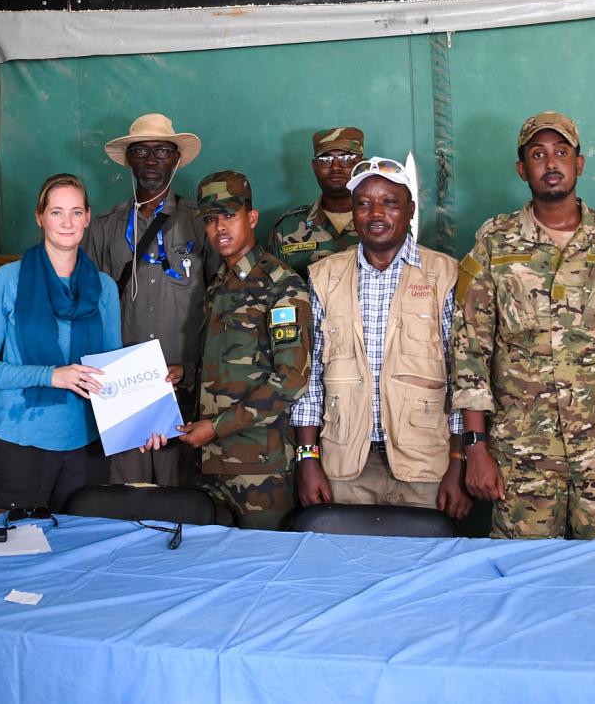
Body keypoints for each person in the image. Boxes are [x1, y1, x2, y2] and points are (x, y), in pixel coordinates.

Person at [451, 111, 595, 539]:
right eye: (538, 154)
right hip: (522, 454)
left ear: (579, 164)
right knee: (524, 570)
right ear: (522, 169)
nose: (551, 163)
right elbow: (469, 350)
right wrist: (474, 448)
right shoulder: (495, 242)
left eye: (561, 152)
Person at [292, 156, 471, 519]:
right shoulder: (324, 277)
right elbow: (309, 380)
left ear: (410, 210)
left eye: (390, 203)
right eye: (364, 204)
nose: (376, 214)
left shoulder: (445, 275)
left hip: (426, 466)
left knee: (427, 553)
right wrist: (307, 459)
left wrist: (459, 461)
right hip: (344, 466)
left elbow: (462, 377)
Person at [0, 173, 121, 512]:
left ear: (87, 217)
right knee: (22, 543)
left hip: (88, 446)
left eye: (76, 212)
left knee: (84, 543)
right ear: (40, 217)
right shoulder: (7, 280)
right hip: (20, 445)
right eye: (56, 212)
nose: (67, 222)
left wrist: (144, 418)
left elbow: (113, 372)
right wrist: (51, 375)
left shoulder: (105, 287)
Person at [83, 112, 218, 486]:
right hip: (124, 394)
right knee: (130, 495)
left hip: (186, 387)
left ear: (176, 159)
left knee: (183, 494)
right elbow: (88, 309)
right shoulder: (105, 227)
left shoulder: (201, 223)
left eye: (162, 151)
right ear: (129, 159)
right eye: (141, 151)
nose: (151, 160)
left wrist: (193, 370)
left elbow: (221, 303)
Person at [172, 171, 312, 529]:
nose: (219, 227)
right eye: (210, 219)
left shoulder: (282, 286)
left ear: (251, 218)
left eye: (229, 215)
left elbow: (291, 380)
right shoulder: (217, 286)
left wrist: (216, 427)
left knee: (265, 560)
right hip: (208, 463)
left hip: (260, 468)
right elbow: (223, 365)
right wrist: (185, 374)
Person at [270, 127, 365, 277]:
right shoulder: (286, 228)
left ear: (362, 165)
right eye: (325, 160)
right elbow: (274, 287)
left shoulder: (383, 223)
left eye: (346, 159)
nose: (335, 167)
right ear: (314, 167)